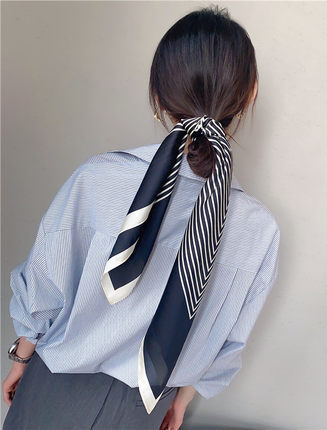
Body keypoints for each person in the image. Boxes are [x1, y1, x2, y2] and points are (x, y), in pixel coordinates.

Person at [2, 5, 280, 430]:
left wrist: (21, 358)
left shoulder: (97, 180)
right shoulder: (259, 232)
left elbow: (45, 286)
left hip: (56, 387)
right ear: (249, 96)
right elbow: (227, 340)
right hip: (147, 408)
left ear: (158, 97)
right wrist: (182, 401)